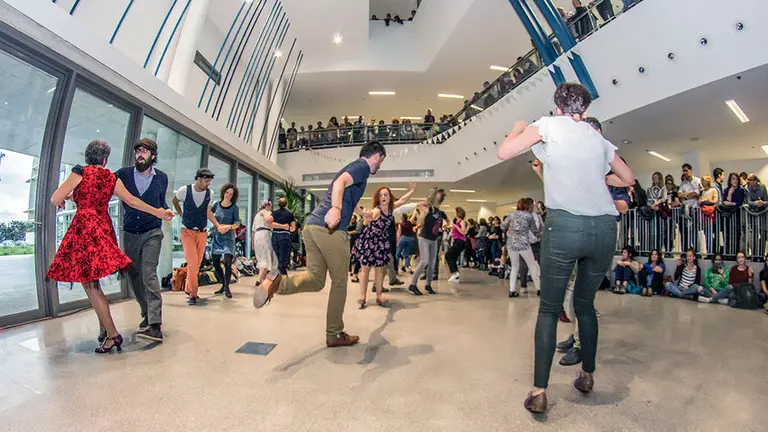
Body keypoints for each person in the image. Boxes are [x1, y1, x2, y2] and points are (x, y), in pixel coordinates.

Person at [497, 82, 634, 412]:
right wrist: (595, 180)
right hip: (603, 229)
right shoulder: (598, 139)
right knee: (585, 305)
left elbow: (505, 151)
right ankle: (587, 375)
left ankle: (539, 392)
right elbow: (628, 178)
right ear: (585, 111)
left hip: (566, 227)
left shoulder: (547, 125)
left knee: (549, 309)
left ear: (557, 107)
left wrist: (518, 125)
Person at [47, 140, 173, 354]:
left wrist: (66, 199)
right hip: (103, 228)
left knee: (90, 285)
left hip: (85, 229)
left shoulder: (80, 172)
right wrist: (160, 212)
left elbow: (55, 198)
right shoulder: (110, 177)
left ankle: (112, 334)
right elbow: (133, 201)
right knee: (93, 284)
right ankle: (107, 330)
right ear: (105, 159)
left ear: (88, 156)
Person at [257, 141, 387, 349]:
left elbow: (345, 195)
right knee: (339, 282)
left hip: (312, 227)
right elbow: (339, 185)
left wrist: (363, 214)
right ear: (377, 156)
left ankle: (275, 284)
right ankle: (334, 333)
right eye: (381, 161)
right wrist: (336, 208)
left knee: (316, 280)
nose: (380, 165)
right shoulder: (362, 166)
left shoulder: (353, 169)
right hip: (331, 230)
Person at [115, 138, 169, 342]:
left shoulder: (161, 178)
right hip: (130, 233)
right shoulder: (124, 174)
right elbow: (101, 185)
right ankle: (147, 313)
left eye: (144, 151)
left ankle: (155, 325)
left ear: (153, 156)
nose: (140, 154)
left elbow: (160, 202)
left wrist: (165, 211)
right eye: (137, 150)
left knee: (149, 272)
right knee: (134, 276)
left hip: (152, 232)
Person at [354, 186, 415, 308]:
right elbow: (369, 216)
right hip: (370, 241)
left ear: (389, 197)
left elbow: (402, 201)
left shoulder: (391, 209)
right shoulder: (377, 210)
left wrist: (412, 191)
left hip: (381, 242)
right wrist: (364, 213)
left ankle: (379, 295)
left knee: (380, 271)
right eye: (381, 195)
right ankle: (362, 296)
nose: (383, 197)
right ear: (378, 198)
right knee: (365, 270)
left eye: (386, 195)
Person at [172, 168, 225, 306]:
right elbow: (175, 201)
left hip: (202, 231)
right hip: (187, 231)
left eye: (209, 181)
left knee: (197, 264)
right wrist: (181, 214)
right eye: (205, 180)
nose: (208, 183)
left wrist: (218, 225)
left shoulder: (210, 193)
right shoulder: (185, 190)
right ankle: (193, 294)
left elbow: (208, 212)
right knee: (193, 262)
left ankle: (188, 287)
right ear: (198, 179)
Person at [408, 188, 447, 296]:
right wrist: (423, 214)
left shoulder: (440, 212)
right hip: (424, 239)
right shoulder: (428, 209)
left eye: (440, 197)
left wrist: (445, 226)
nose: (438, 198)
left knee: (432, 263)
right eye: (437, 196)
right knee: (424, 261)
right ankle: (413, 284)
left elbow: (447, 222)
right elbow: (420, 220)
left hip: (434, 240)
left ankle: (428, 285)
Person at [501, 198, 542, 298]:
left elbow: (502, 226)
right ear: (526, 206)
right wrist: (541, 235)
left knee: (515, 267)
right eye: (531, 207)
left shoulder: (512, 214)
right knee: (532, 265)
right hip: (524, 244)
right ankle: (539, 289)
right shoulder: (529, 216)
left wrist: (510, 228)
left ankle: (512, 290)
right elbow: (535, 231)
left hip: (511, 244)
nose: (532, 209)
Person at [210, 184, 241, 299]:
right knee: (215, 261)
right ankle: (223, 284)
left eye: (231, 194)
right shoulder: (216, 205)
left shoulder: (234, 208)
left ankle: (227, 287)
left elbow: (237, 223)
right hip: (217, 236)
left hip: (228, 238)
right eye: (227, 193)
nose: (228, 195)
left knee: (227, 262)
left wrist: (228, 226)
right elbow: (210, 215)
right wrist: (217, 226)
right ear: (223, 192)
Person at [251, 200, 282, 290]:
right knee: (266, 258)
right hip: (265, 234)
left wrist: (253, 244)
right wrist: (283, 226)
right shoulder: (265, 212)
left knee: (261, 258)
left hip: (257, 235)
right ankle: (259, 279)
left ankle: (263, 280)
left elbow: (253, 231)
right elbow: (270, 222)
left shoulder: (257, 215)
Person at [678, 163, 702, 251]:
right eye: (683, 171)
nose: (684, 172)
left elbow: (697, 193)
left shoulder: (697, 181)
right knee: (685, 232)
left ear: (690, 171)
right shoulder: (683, 183)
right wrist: (690, 194)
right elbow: (679, 194)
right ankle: (685, 251)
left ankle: (696, 251)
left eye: (686, 170)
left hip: (694, 209)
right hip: (685, 210)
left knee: (694, 232)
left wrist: (686, 195)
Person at [271, 197, 296, 276]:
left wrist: (279, 226)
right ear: (286, 204)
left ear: (278, 204)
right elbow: (293, 228)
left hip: (275, 236)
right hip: (284, 236)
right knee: (283, 259)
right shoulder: (289, 214)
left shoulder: (274, 213)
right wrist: (285, 227)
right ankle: (284, 279)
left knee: (277, 258)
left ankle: (280, 278)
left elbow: (270, 224)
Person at [445, 207, 469, 283]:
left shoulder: (462, 222)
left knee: (448, 255)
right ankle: (456, 277)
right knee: (453, 257)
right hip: (456, 241)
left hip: (460, 242)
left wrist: (455, 226)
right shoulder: (456, 221)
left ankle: (454, 273)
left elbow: (463, 232)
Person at [348, 214, 363, 283]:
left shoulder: (360, 222)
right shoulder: (361, 221)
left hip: (358, 241)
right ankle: (354, 275)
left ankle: (354, 273)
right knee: (359, 259)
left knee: (357, 258)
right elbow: (358, 231)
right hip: (360, 242)